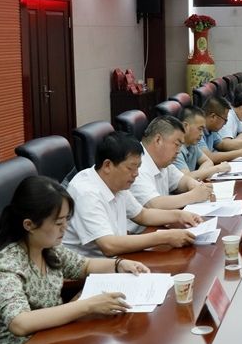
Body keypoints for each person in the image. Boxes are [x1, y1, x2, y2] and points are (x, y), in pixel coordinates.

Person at [0, 176, 150, 344]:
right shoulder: (2, 266)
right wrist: (88, 306)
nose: (65, 227)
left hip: (46, 340)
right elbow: (20, 323)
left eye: (66, 219)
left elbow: (84, 265)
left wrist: (119, 264)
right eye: (58, 223)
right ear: (29, 225)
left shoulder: (48, 247)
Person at [64, 132, 200, 257]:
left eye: (138, 167)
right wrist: (165, 237)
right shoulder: (86, 193)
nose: (136, 174)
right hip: (92, 270)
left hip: (118, 260)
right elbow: (109, 245)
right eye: (130, 168)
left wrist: (179, 215)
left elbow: (142, 215)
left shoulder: (116, 182)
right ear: (107, 165)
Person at [130, 116, 214, 211]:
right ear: (158, 140)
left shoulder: (162, 161)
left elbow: (181, 181)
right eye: (177, 144)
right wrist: (193, 196)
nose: (179, 151)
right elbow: (153, 204)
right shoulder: (136, 166)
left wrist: (194, 185)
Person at [173, 106, 229, 181]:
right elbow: (186, 178)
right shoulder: (175, 149)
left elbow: (208, 161)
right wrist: (217, 168)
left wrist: (198, 176)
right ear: (185, 126)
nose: (202, 134)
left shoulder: (192, 144)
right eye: (200, 129)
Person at [201, 95, 242, 164]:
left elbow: (222, 145)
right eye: (225, 120)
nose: (225, 123)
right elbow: (209, 157)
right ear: (213, 117)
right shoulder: (198, 130)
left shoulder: (211, 129)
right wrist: (241, 153)